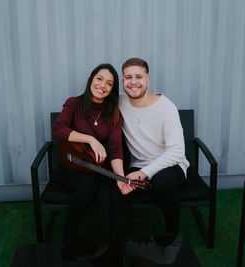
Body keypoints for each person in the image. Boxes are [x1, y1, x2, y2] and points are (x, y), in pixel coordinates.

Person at [113, 57, 190, 245]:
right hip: (138, 166)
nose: (133, 82)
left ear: (147, 80)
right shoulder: (120, 102)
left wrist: (144, 173)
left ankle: (172, 234)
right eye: (128, 77)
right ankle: (123, 242)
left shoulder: (166, 108)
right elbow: (92, 101)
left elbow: (177, 152)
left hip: (170, 165)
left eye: (139, 76)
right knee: (117, 189)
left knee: (162, 181)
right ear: (122, 82)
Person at [52, 63, 124, 248]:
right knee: (86, 188)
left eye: (109, 83)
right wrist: (91, 139)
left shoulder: (114, 112)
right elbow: (58, 129)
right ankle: (70, 233)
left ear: (112, 89)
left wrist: (121, 176)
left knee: (107, 189)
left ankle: (109, 243)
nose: (102, 85)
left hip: (97, 167)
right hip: (72, 164)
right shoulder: (74, 103)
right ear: (92, 79)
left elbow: (115, 147)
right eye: (99, 78)